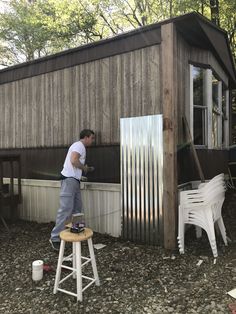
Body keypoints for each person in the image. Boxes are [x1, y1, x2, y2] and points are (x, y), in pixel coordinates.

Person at [49, 129, 95, 251]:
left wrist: (81, 173)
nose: (92, 140)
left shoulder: (78, 146)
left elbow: (74, 164)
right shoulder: (79, 145)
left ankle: (76, 231)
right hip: (69, 180)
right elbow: (74, 160)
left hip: (74, 181)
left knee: (77, 208)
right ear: (86, 137)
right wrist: (84, 168)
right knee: (65, 209)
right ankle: (54, 238)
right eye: (92, 138)